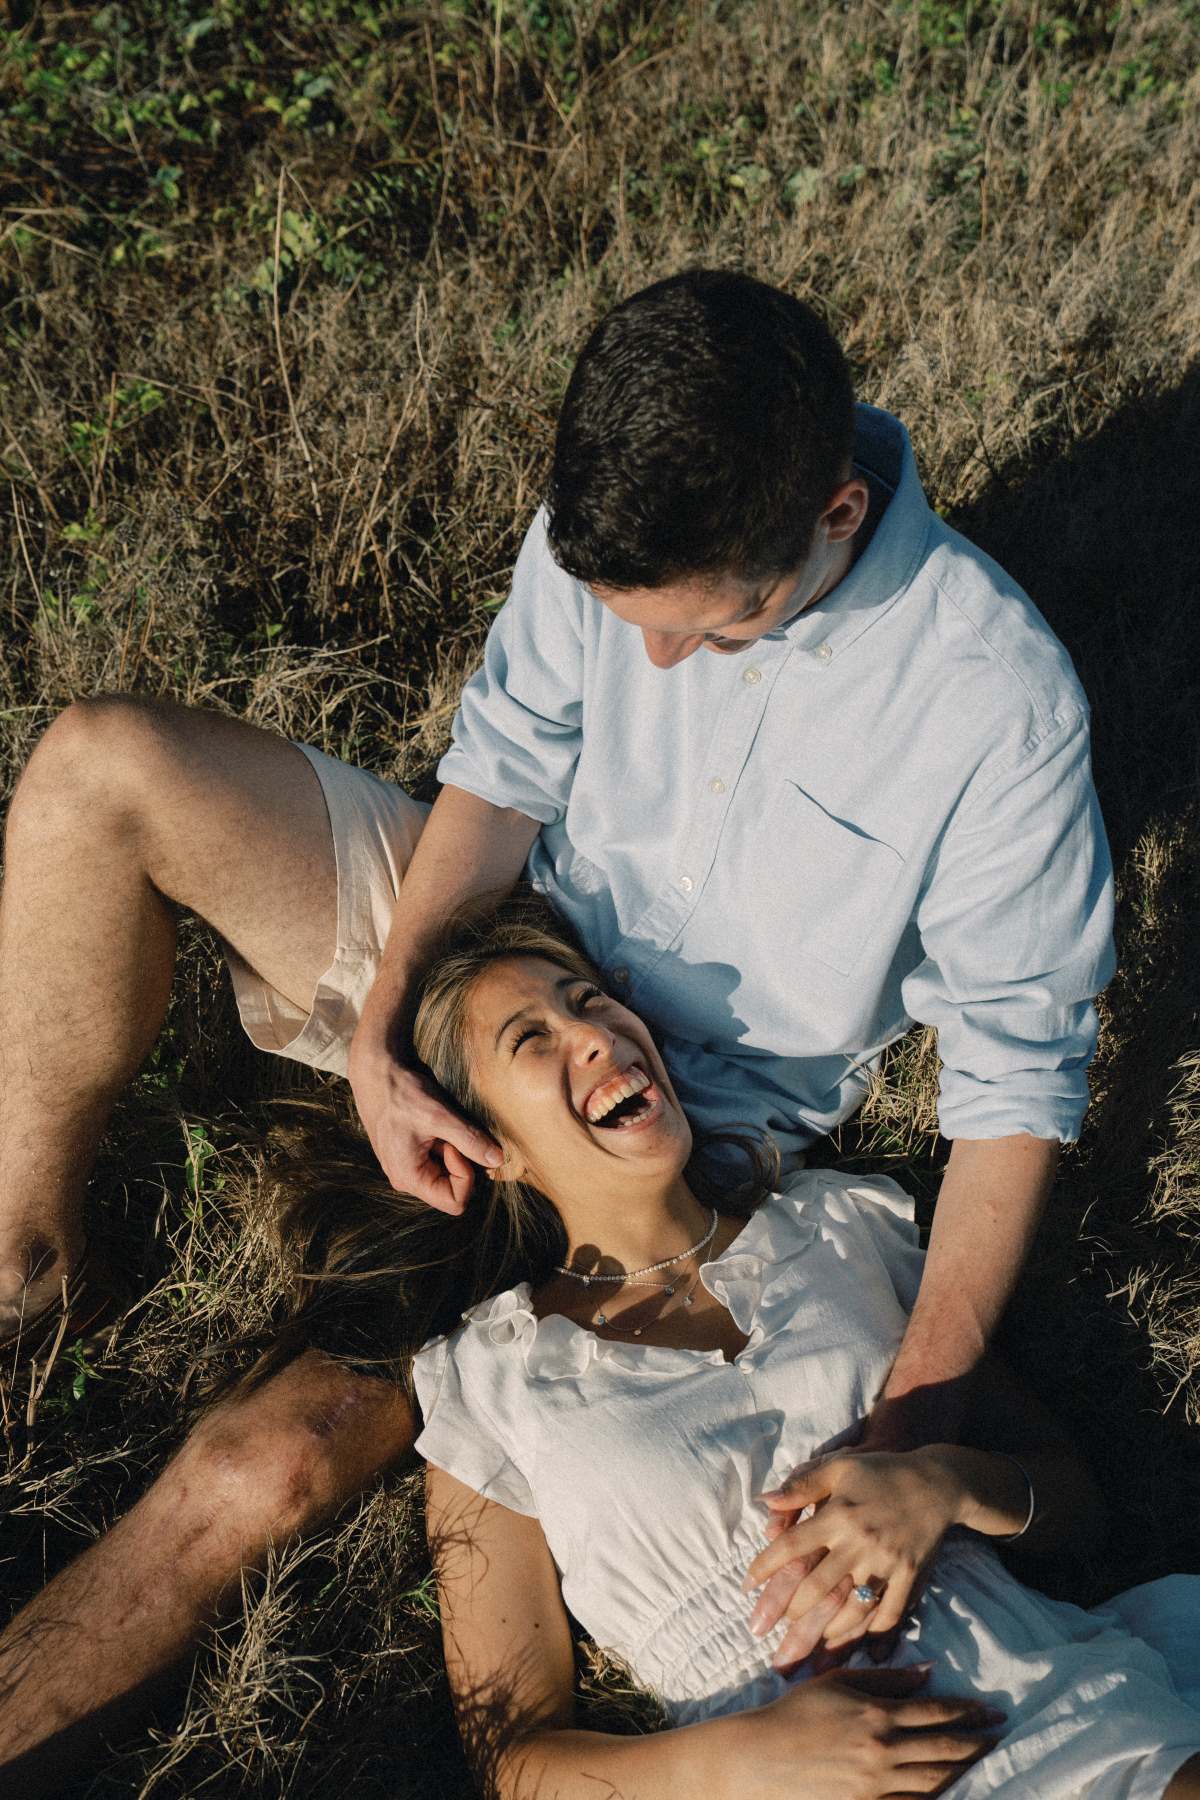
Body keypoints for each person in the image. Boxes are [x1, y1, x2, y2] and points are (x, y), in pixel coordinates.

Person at [0, 268, 1113, 1758]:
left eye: (700, 634)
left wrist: (908, 1429)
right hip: (488, 936)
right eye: (619, 619)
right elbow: (511, 762)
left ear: (837, 515)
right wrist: (393, 1021)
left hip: (664, 1140)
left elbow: (1013, 1080)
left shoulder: (997, 706)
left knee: (253, 1472)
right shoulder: (631, 504)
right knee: (96, 768)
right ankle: (25, 1265)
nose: (648, 664)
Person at [404, 907, 1200, 1799]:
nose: (592, 1033)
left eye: (588, 1000)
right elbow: (515, 1763)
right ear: (493, 1145)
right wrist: (743, 1758)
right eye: (534, 1038)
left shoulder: (838, 1231)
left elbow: (1076, 1505)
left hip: (1053, 1710)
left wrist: (943, 1483)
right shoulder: (489, 1381)